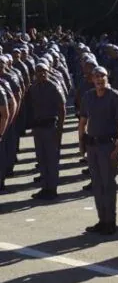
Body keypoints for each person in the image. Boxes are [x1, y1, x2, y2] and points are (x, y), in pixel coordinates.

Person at [78, 66, 118, 235]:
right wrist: (81, 143)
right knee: (97, 185)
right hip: (92, 146)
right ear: (92, 79)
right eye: (96, 76)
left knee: (108, 184)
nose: (99, 79)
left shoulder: (115, 97)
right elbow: (83, 121)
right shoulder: (88, 96)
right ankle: (102, 220)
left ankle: (110, 221)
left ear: (108, 78)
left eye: (102, 76)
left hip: (108, 146)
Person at [26, 63, 66, 200]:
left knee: (51, 159)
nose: (41, 74)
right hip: (38, 127)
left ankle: (52, 189)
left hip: (50, 127)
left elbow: (62, 109)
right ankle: (45, 187)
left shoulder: (53, 87)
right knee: (41, 159)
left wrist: (60, 130)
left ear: (48, 72)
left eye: (44, 71)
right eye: (38, 71)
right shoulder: (33, 88)